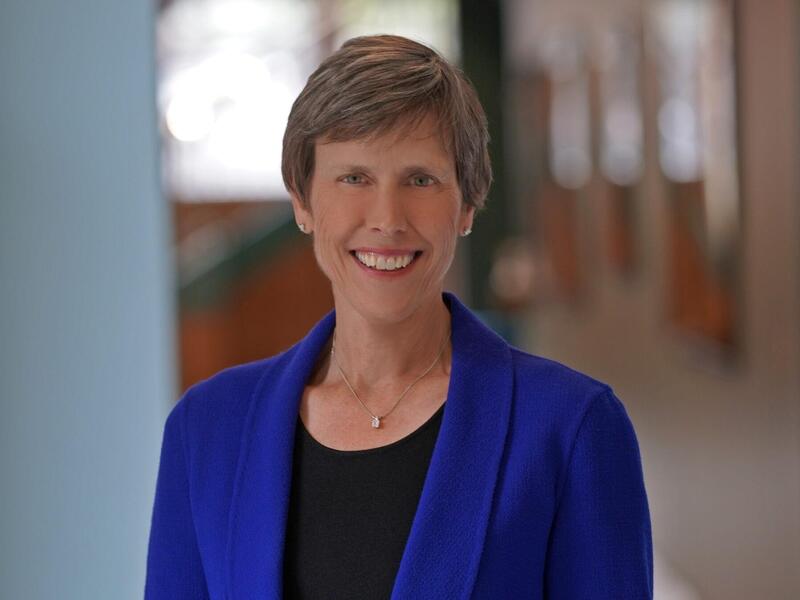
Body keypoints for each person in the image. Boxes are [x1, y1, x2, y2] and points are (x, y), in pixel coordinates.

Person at [145, 35, 653, 599]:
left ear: (466, 204)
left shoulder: (572, 428)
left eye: (420, 179)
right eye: (354, 177)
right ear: (302, 201)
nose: (387, 219)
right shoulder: (206, 429)